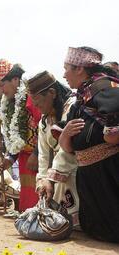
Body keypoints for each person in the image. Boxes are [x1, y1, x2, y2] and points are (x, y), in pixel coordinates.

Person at [59, 46, 119, 242]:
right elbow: (67, 147)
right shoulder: (80, 98)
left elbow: (114, 123)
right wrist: (66, 134)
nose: (64, 74)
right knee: (100, 231)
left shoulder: (104, 87)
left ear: (79, 69)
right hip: (90, 175)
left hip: (108, 172)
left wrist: (109, 135)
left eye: (67, 68)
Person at [26, 71, 80, 227]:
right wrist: (42, 181)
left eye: (39, 103)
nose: (37, 107)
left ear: (52, 93)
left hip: (76, 168)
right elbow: (43, 154)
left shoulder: (73, 107)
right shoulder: (44, 120)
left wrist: (50, 179)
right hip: (57, 174)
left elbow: (67, 150)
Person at [0, 59, 41, 213]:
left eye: (2, 85)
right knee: (28, 201)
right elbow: (17, 137)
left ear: (15, 80)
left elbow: (45, 129)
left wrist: (37, 154)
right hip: (25, 159)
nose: (1, 90)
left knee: (39, 198)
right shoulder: (10, 103)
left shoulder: (32, 98)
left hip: (40, 159)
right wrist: (9, 159)